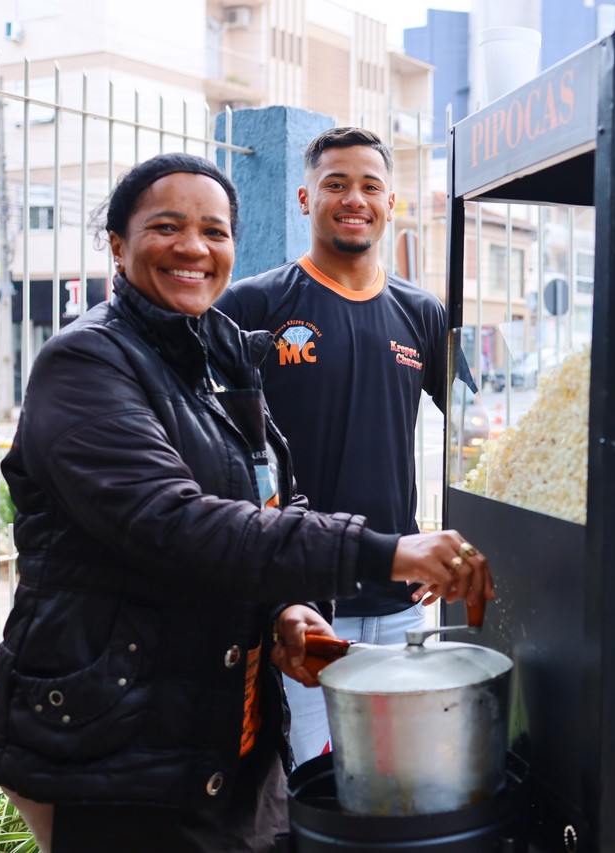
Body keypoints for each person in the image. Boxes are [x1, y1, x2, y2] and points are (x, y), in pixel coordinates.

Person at [0, 152, 493, 853]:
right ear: (118, 245)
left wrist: (285, 605)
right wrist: (387, 551)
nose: (193, 247)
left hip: (225, 723)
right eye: (167, 227)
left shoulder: (219, 354)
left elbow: (274, 496)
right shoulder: (86, 363)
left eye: (214, 231)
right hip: (116, 738)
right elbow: (175, 524)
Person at [215, 127, 458, 764]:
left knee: (400, 775)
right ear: (306, 198)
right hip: (301, 607)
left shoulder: (422, 313)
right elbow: (220, 452)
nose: (355, 199)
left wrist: (456, 539)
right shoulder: (252, 305)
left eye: (371, 186)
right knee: (309, 782)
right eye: (336, 184)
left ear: (391, 203)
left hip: (400, 603)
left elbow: (470, 433)